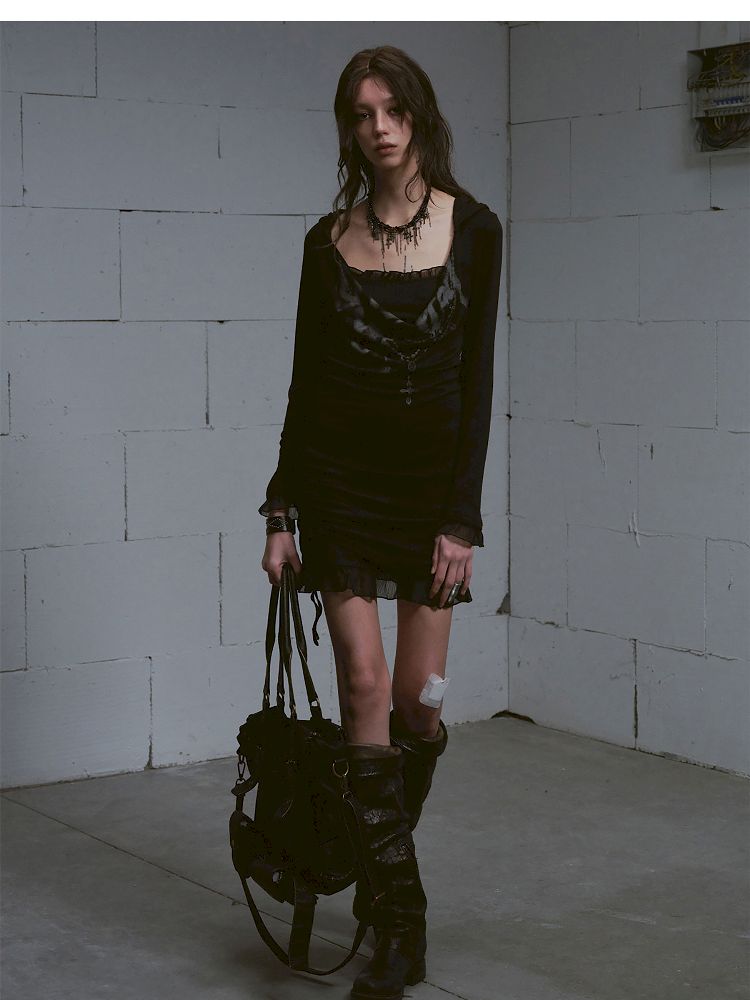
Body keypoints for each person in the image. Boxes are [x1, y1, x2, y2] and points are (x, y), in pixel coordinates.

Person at [259, 44, 503, 1000]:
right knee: (362, 684)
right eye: (361, 114)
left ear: (418, 114)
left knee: (419, 703)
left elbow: (477, 384)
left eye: (392, 108)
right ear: (349, 129)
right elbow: (305, 385)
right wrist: (281, 510)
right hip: (341, 492)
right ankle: (401, 921)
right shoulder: (326, 244)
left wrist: (462, 521)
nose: (379, 128)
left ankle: (374, 853)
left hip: (430, 503)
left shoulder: (474, 229)